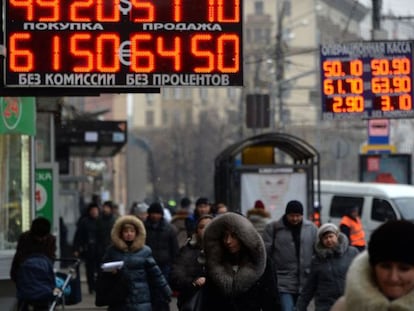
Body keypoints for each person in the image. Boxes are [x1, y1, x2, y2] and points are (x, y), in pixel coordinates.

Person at [201, 212, 280, 310]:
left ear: (245, 236)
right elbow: (208, 302)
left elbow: (271, 301)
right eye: (225, 236)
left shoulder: (262, 262)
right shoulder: (215, 263)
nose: (228, 241)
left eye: (234, 236)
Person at [331, 220, 414, 310]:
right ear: (372, 268)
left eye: (404, 269)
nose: (393, 277)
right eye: (386, 267)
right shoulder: (344, 308)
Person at [101, 215, 172, 310]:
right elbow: (102, 270)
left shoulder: (145, 251)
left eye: (132, 231)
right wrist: (110, 272)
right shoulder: (112, 251)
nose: (129, 234)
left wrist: (166, 291)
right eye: (126, 231)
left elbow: (156, 274)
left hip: (140, 298)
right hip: (119, 298)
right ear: (120, 233)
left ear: (137, 233)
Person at [262, 200, 318, 311]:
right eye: (292, 215)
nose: (295, 219)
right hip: (282, 281)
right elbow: (265, 253)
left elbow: (318, 251)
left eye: (298, 216)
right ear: (286, 214)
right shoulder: (273, 228)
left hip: (304, 282)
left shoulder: (311, 229)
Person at [295, 223, 359, 311]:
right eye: (325, 238)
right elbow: (308, 288)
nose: (328, 240)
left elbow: (363, 277)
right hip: (325, 306)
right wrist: (299, 307)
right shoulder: (317, 260)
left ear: (337, 236)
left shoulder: (352, 253)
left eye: (330, 236)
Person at [10, 217, 57, 311]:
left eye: (43, 237)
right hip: (28, 280)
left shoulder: (50, 239)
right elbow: (18, 260)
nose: (40, 239)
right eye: (38, 237)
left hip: (40, 281)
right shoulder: (25, 238)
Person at [170, 214, 213, 310]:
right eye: (201, 227)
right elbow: (175, 276)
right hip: (191, 301)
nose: (205, 230)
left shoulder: (223, 250)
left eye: (209, 226)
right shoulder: (187, 250)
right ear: (197, 231)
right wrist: (193, 281)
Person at [145, 202, 179, 311]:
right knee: (150, 293)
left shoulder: (169, 229)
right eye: (153, 213)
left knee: (163, 293)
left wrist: (174, 266)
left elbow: (174, 250)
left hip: (165, 265)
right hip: (148, 265)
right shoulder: (143, 228)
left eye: (157, 213)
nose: (155, 216)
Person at [73, 202, 101, 294]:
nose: (94, 212)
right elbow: (78, 236)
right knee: (90, 269)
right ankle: (91, 286)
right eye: (92, 210)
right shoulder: (84, 222)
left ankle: (98, 286)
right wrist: (76, 248)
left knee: (100, 269)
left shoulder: (101, 221)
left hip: (100, 249)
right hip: (88, 249)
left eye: (96, 210)